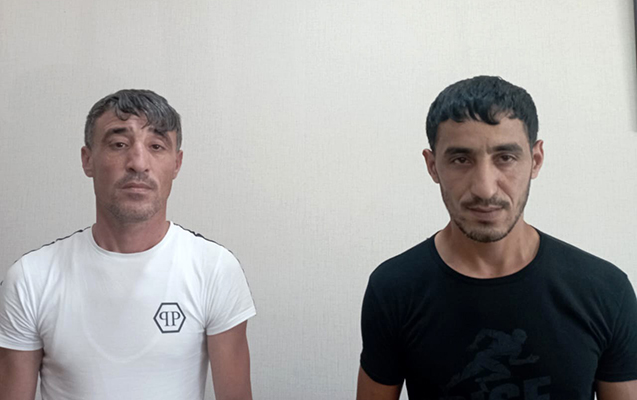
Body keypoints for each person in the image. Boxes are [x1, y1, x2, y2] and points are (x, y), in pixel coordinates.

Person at [356, 76, 637, 400]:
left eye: (505, 157)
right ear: (433, 166)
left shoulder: (605, 291)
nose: (485, 188)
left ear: (536, 160)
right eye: (461, 159)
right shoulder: (393, 289)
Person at [0, 90, 256, 400]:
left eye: (156, 146)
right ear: (87, 160)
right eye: (119, 144)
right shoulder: (31, 278)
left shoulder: (214, 269)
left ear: (176, 164)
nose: (138, 163)